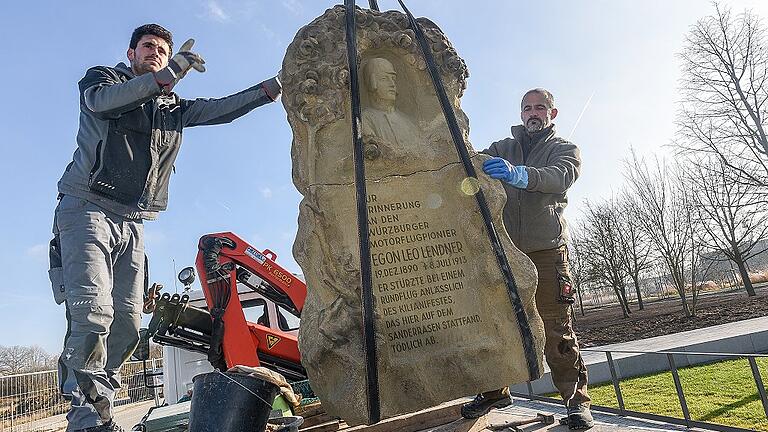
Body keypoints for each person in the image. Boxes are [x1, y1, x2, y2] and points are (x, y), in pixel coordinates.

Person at [50, 24, 281, 432]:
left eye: (162, 50)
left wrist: (275, 86)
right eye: (148, 47)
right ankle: (84, 419)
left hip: (133, 220)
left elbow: (221, 107)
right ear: (132, 52)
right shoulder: (103, 79)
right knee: (92, 312)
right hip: (86, 207)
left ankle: (103, 413)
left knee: (125, 321)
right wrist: (167, 75)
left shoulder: (172, 109)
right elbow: (104, 104)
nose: (155, 53)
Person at [462, 88, 592, 429]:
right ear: (520, 114)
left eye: (539, 107)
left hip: (547, 251)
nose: (532, 112)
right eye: (527, 108)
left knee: (556, 330)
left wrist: (520, 175)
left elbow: (559, 176)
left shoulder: (564, 149)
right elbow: (466, 162)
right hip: (506, 253)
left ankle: (576, 401)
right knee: (497, 326)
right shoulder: (501, 149)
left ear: (552, 113)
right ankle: (494, 392)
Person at [361, 57, 422, 152]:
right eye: (384, 78)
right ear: (372, 83)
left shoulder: (408, 122)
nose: (392, 84)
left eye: (393, 78)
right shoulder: (365, 119)